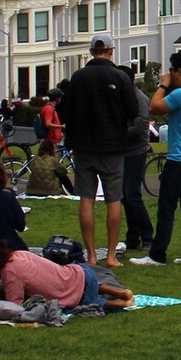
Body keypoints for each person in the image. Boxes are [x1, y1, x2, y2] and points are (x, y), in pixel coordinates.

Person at [60, 35, 139, 268]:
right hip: (113, 145)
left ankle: (91, 254)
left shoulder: (78, 77)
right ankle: (112, 255)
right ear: (111, 51)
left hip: (83, 145)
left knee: (87, 198)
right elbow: (132, 110)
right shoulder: (120, 77)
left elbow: (64, 112)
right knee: (113, 199)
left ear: (92, 51)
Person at [134, 49, 181, 267]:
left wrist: (164, 84)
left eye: (171, 71)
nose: (169, 74)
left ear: (178, 71)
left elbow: (153, 106)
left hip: (179, 160)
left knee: (167, 207)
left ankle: (157, 255)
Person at [0, 239, 134, 312]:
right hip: (81, 272)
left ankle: (120, 302)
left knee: (91, 302)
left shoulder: (9, 272)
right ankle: (121, 292)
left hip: (74, 293)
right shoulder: (18, 254)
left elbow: (13, 306)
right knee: (86, 284)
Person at [120, 65, 155, 253]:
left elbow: (141, 125)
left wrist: (118, 134)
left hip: (135, 151)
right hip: (123, 150)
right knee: (125, 196)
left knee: (132, 195)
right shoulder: (121, 97)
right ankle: (133, 236)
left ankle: (147, 235)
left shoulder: (140, 98)